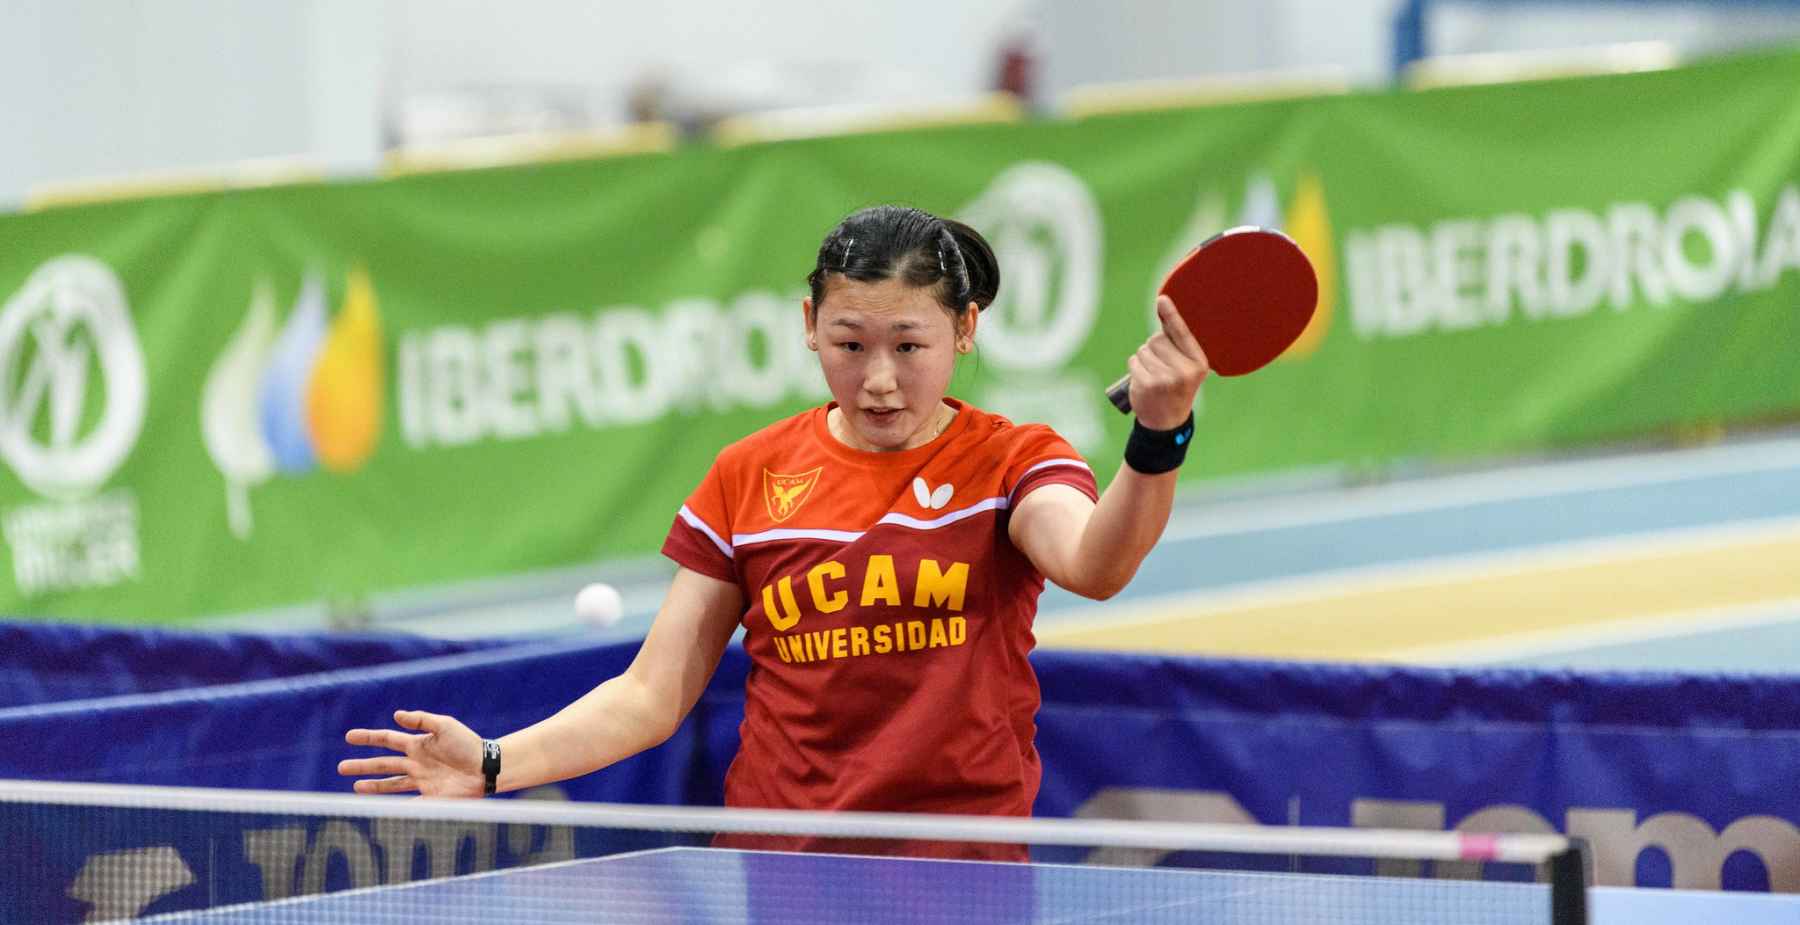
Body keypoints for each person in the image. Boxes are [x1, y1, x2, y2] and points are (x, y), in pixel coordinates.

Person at [338, 205, 1208, 859]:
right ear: (807, 327)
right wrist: (492, 762)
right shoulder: (750, 474)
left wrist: (1158, 435)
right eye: (848, 342)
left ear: (965, 330)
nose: (877, 379)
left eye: (909, 346)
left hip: (958, 875)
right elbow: (652, 693)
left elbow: (1096, 562)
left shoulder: (1010, 461)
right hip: (777, 868)